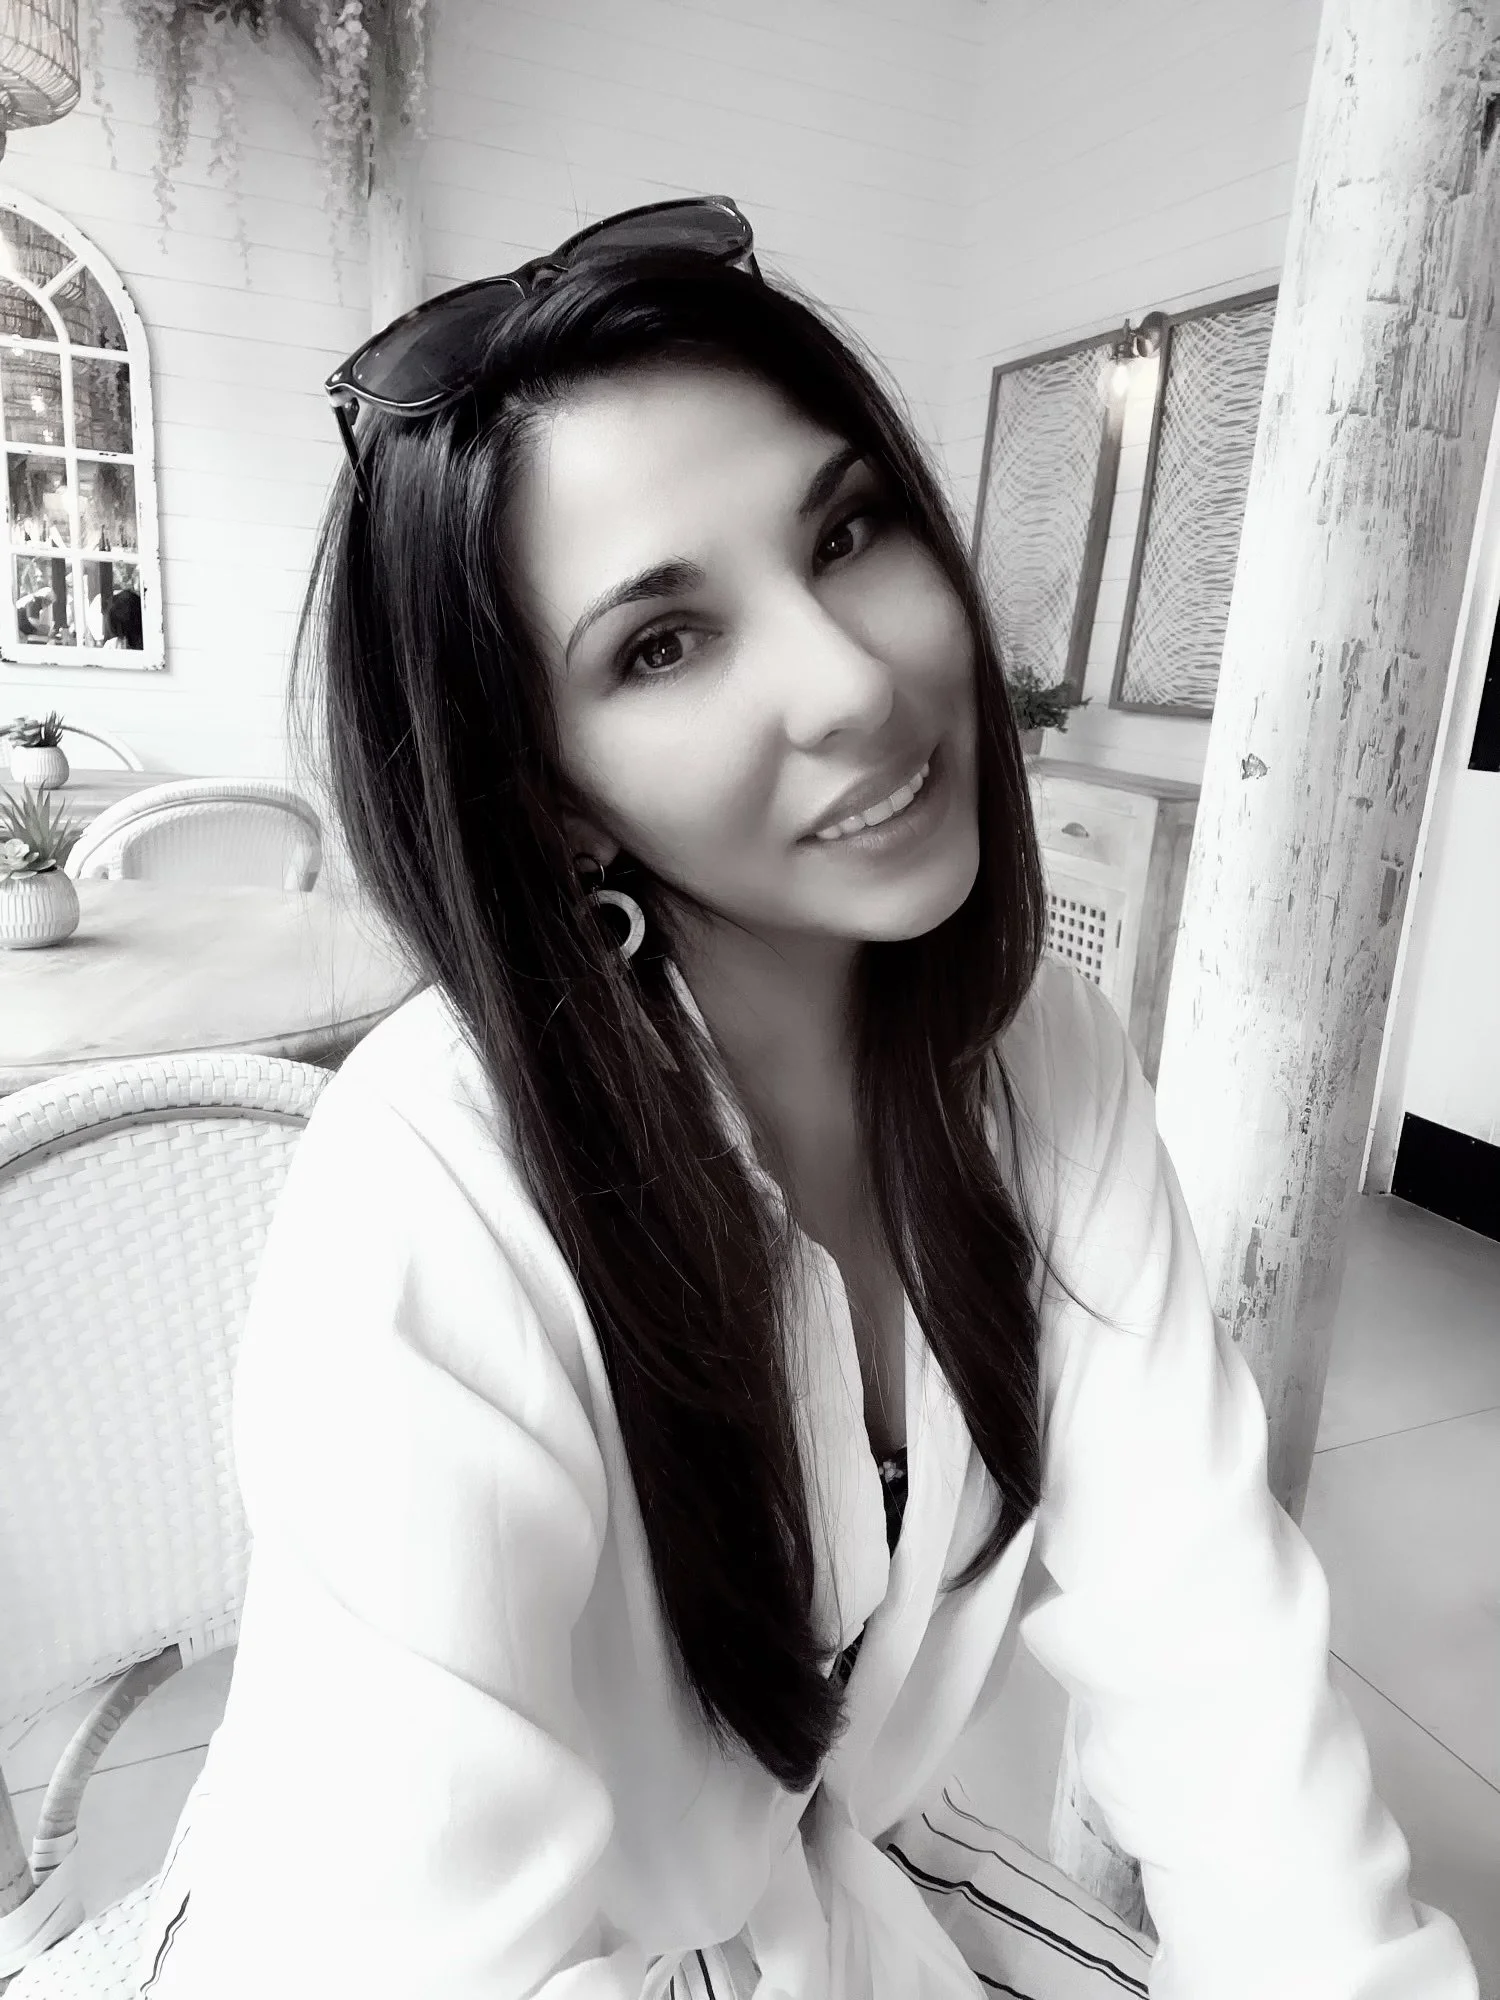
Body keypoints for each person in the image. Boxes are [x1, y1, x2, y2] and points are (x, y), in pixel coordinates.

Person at [131, 198, 1478, 2000]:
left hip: (802, 1901)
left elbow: (1213, 1654)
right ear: (551, 799)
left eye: (847, 532)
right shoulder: (438, 1181)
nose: (854, 682)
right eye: (661, 646)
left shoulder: (1044, 1059)